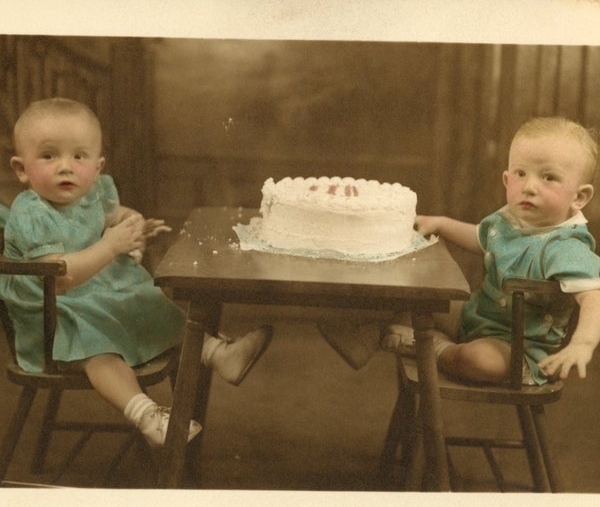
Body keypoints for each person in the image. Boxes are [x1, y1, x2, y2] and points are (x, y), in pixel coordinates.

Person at [0, 97, 273, 448]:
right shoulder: (32, 214)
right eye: (49, 156)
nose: (65, 167)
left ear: (97, 168)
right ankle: (145, 414)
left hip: (91, 293)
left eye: (78, 156)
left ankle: (217, 353)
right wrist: (111, 246)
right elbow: (59, 276)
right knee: (98, 346)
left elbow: (114, 214)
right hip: (52, 314)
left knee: (146, 298)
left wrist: (134, 225)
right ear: (22, 170)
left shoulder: (90, 192)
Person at [321, 117, 600, 385]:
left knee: (476, 360)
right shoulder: (510, 221)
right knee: (420, 297)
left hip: (516, 349)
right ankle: (363, 339)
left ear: (579, 197)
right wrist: (441, 223)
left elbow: (593, 297)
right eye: (520, 174)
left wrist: (582, 344)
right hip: (475, 316)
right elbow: (480, 237)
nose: (529, 187)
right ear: (506, 179)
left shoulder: (565, 247)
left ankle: (431, 347)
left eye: (549, 177)